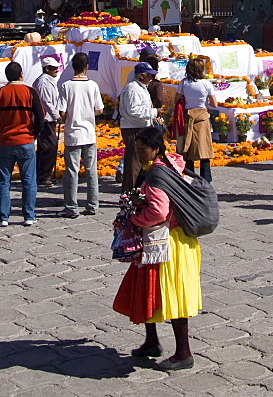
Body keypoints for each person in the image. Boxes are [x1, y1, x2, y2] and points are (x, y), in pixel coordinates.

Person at [113, 126, 202, 371]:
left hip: (166, 242)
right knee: (146, 288)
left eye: (143, 150)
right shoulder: (173, 164)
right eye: (137, 149)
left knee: (170, 293)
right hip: (179, 238)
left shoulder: (156, 176)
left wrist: (134, 220)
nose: (139, 154)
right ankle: (151, 341)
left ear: (155, 149)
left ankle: (183, 352)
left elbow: (159, 211)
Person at [0, 61, 44, 227]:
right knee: (28, 181)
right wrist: (35, 133)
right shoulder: (29, 92)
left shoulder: (0, 93)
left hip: (5, 141)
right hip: (25, 140)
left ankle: (3, 216)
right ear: (21, 75)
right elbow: (40, 117)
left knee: (3, 181)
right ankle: (29, 215)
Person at [59, 51, 103, 218]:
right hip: (88, 133)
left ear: (72, 67)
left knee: (72, 171)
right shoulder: (93, 85)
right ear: (87, 67)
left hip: (72, 134)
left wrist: (68, 115)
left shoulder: (66, 86)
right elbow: (99, 109)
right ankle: (92, 204)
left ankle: (71, 206)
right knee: (91, 171)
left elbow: (61, 112)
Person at [175, 56, 217, 182]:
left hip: (188, 116)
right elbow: (214, 104)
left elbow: (176, 100)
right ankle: (206, 177)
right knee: (204, 148)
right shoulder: (206, 84)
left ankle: (189, 176)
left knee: (187, 148)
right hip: (203, 117)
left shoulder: (184, 83)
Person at [119, 61, 159, 191]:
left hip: (140, 126)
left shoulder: (140, 87)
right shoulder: (133, 89)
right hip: (133, 128)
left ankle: (137, 191)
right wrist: (154, 112)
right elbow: (134, 110)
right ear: (141, 76)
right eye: (149, 75)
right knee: (134, 164)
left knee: (140, 163)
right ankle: (129, 193)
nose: (151, 78)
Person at [32, 55, 61, 186]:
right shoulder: (43, 81)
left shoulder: (48, 80)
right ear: (47, 68)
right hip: (45, 119)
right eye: (54, 68)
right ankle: (43, 176)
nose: (57, 70)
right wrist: (56, 115)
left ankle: (43, 174)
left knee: (46, 146)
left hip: (49, 118)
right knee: (49, 146)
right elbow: (45, 101)